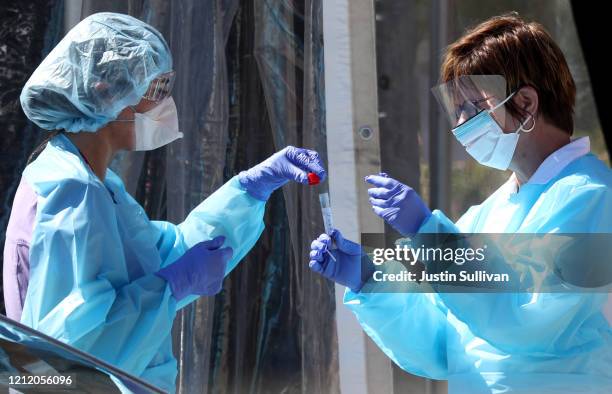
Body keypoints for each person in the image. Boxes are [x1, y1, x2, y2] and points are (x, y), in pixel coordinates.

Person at [2, 12, 326, 392]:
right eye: (155, 89)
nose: (164, 104)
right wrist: (170, 286)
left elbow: (164, 255)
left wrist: (249, 190)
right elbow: (73, 352)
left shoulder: (95, 185)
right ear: (107, 92)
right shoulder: (72, 192)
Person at [309, 14, 612, 394]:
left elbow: (527, 322)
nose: (463, 124)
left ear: (526, 102)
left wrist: (428, 234)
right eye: (458, 111)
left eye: (475, 107)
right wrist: (371, 283)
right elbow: (440, 347)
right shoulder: (484, 215)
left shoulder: (591, 196)